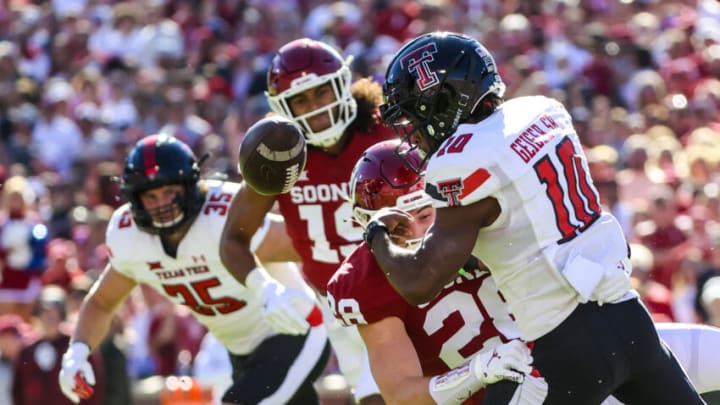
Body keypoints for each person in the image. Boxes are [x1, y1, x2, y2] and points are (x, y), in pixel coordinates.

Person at [367, 31, 704, 404]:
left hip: (566, 346)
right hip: (629, 318)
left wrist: (377, 235)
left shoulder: (460, 161)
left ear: (441, 103)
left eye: (413, 116)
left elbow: (418, 282)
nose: (412, 134)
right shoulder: (541, 110)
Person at [59, 134, 330, 405]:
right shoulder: (130, 237)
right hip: (240, 350)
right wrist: (78, 352)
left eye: (169, 192)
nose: (161, 204)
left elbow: (307, 245)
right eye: (151, 196)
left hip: (295, 331)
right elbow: (102, 302)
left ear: (190, 185)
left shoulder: (222, 214)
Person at [220, 38, 395, 404]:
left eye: (320, 92)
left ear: (342, 86)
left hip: (404, 288)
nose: (314, 108)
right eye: (300, 100)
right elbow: (232, 239)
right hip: (345, 311)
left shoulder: (389, 129)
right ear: (283, 107)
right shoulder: (279, 154)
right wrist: (264, 289)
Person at [327, 140, 539, 404]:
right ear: (369, 228)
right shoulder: (367, 280)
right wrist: (477, 372)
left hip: (558, 367)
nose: (417, 233)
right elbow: (401, 394)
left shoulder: (477, 218)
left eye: (425, 215)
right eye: (397, 226)